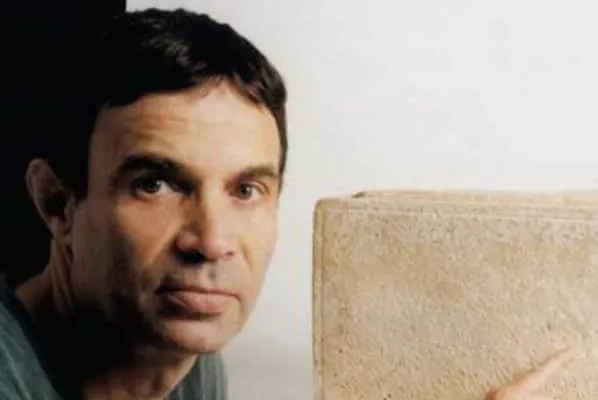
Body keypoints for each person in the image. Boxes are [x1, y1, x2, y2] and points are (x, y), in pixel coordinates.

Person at [0, 8, 574, 400]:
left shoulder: (185, 358)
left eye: (246, 190)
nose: (212, 241)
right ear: (57, 203)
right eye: (156, 184)